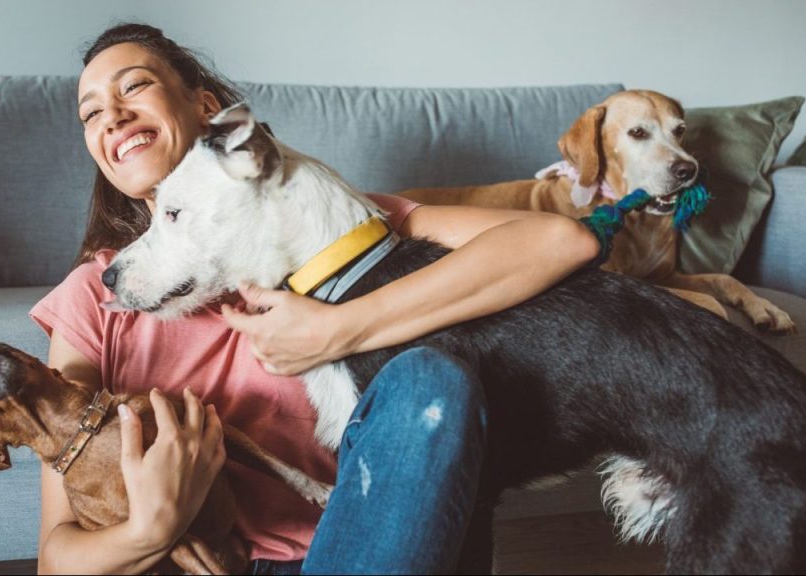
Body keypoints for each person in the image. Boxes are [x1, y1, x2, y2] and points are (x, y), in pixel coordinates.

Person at [32, 22, 599, 575]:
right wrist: (150, 530)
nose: (111, 115)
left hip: (381, 542)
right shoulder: (93, 298)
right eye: (89, 113)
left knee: (432, 377)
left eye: (133, 86)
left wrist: (342, 328)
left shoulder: (352, 229)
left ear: (207, 108)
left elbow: (560, 240)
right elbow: (56, 558)